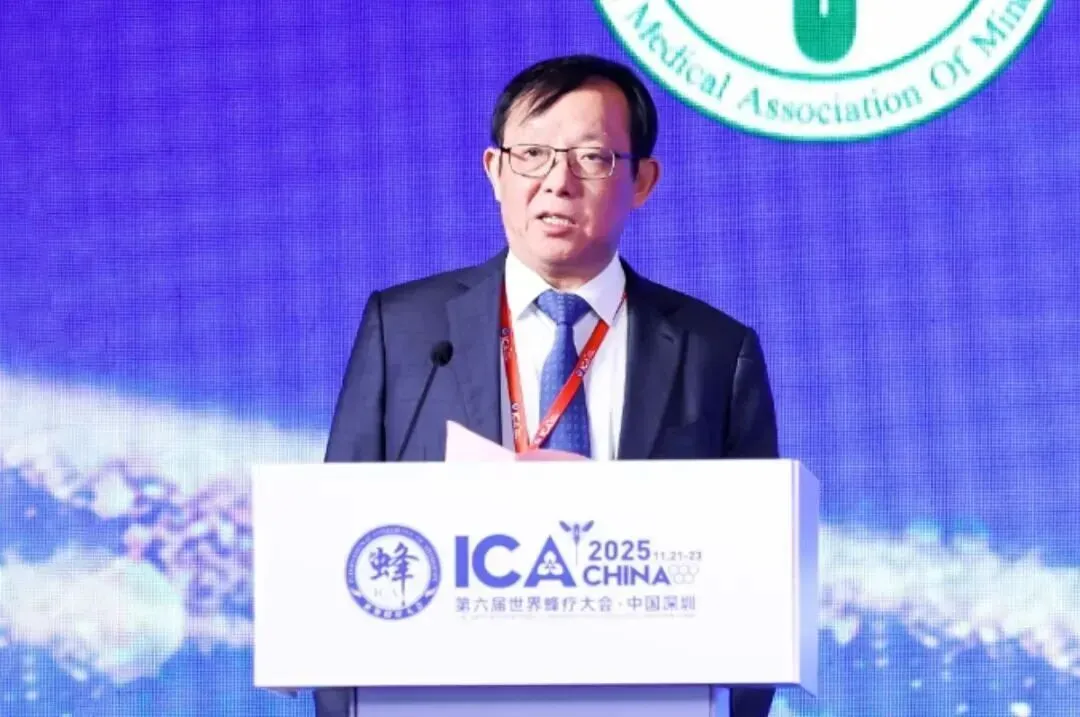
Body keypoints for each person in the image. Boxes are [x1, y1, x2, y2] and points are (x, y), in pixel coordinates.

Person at [316, 54, 779, 717]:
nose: (557, 183)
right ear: (494, 170)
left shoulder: (715, 352)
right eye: (531, 154)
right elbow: (336, 540)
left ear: (642, 180)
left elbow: (757, 574)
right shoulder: (408, 331)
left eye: (591, 158)